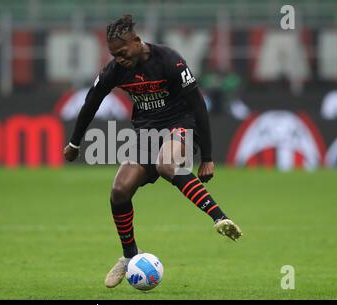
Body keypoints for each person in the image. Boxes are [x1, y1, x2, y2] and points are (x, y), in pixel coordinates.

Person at [64, 15, 242, 288]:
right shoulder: (115, 69)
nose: (119, 58)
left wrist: (207, 157)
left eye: (122, 52)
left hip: (181, 125)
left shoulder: (169, 60)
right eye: (114, 54)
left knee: (167, 164)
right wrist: (75, 144)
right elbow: (91, 103)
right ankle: (129, 256)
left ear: (136, 41)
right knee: (119, 190)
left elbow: (198, 105)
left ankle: (219, 217)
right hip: (146, 134)